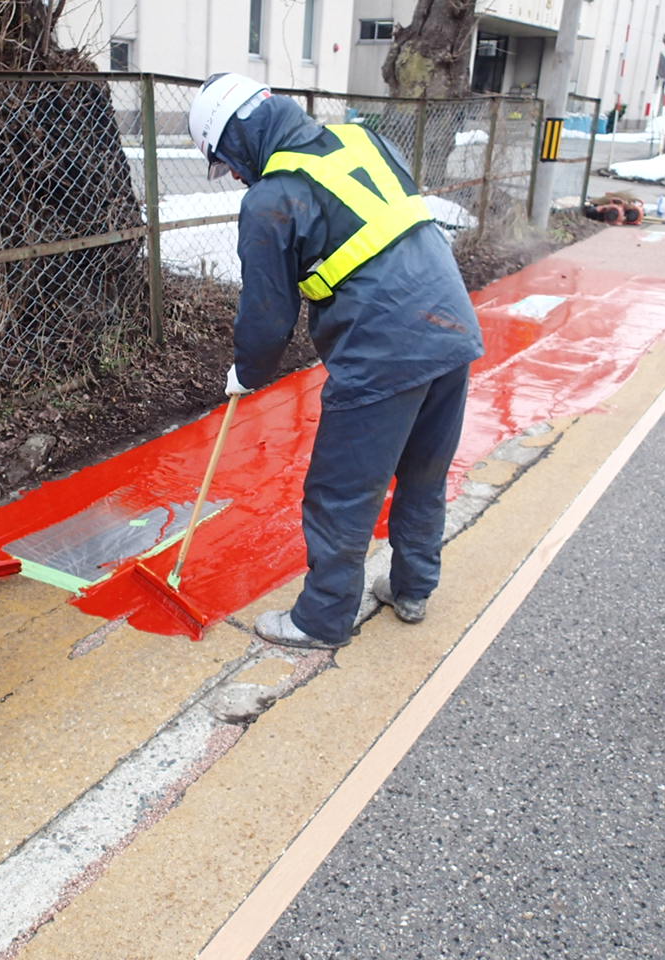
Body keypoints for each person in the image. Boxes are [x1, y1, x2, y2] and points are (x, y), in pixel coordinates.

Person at [188, 73, 484, 651]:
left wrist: (247, 372)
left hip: (383, 348)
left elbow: (269, 316)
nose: (233, 174)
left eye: (226, 161)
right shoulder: (365, 139)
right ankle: (413, 587)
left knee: (340, 492)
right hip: (450, 327)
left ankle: (322, 620)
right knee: (423, 472)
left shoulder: (272, 199)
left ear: (239, 140)